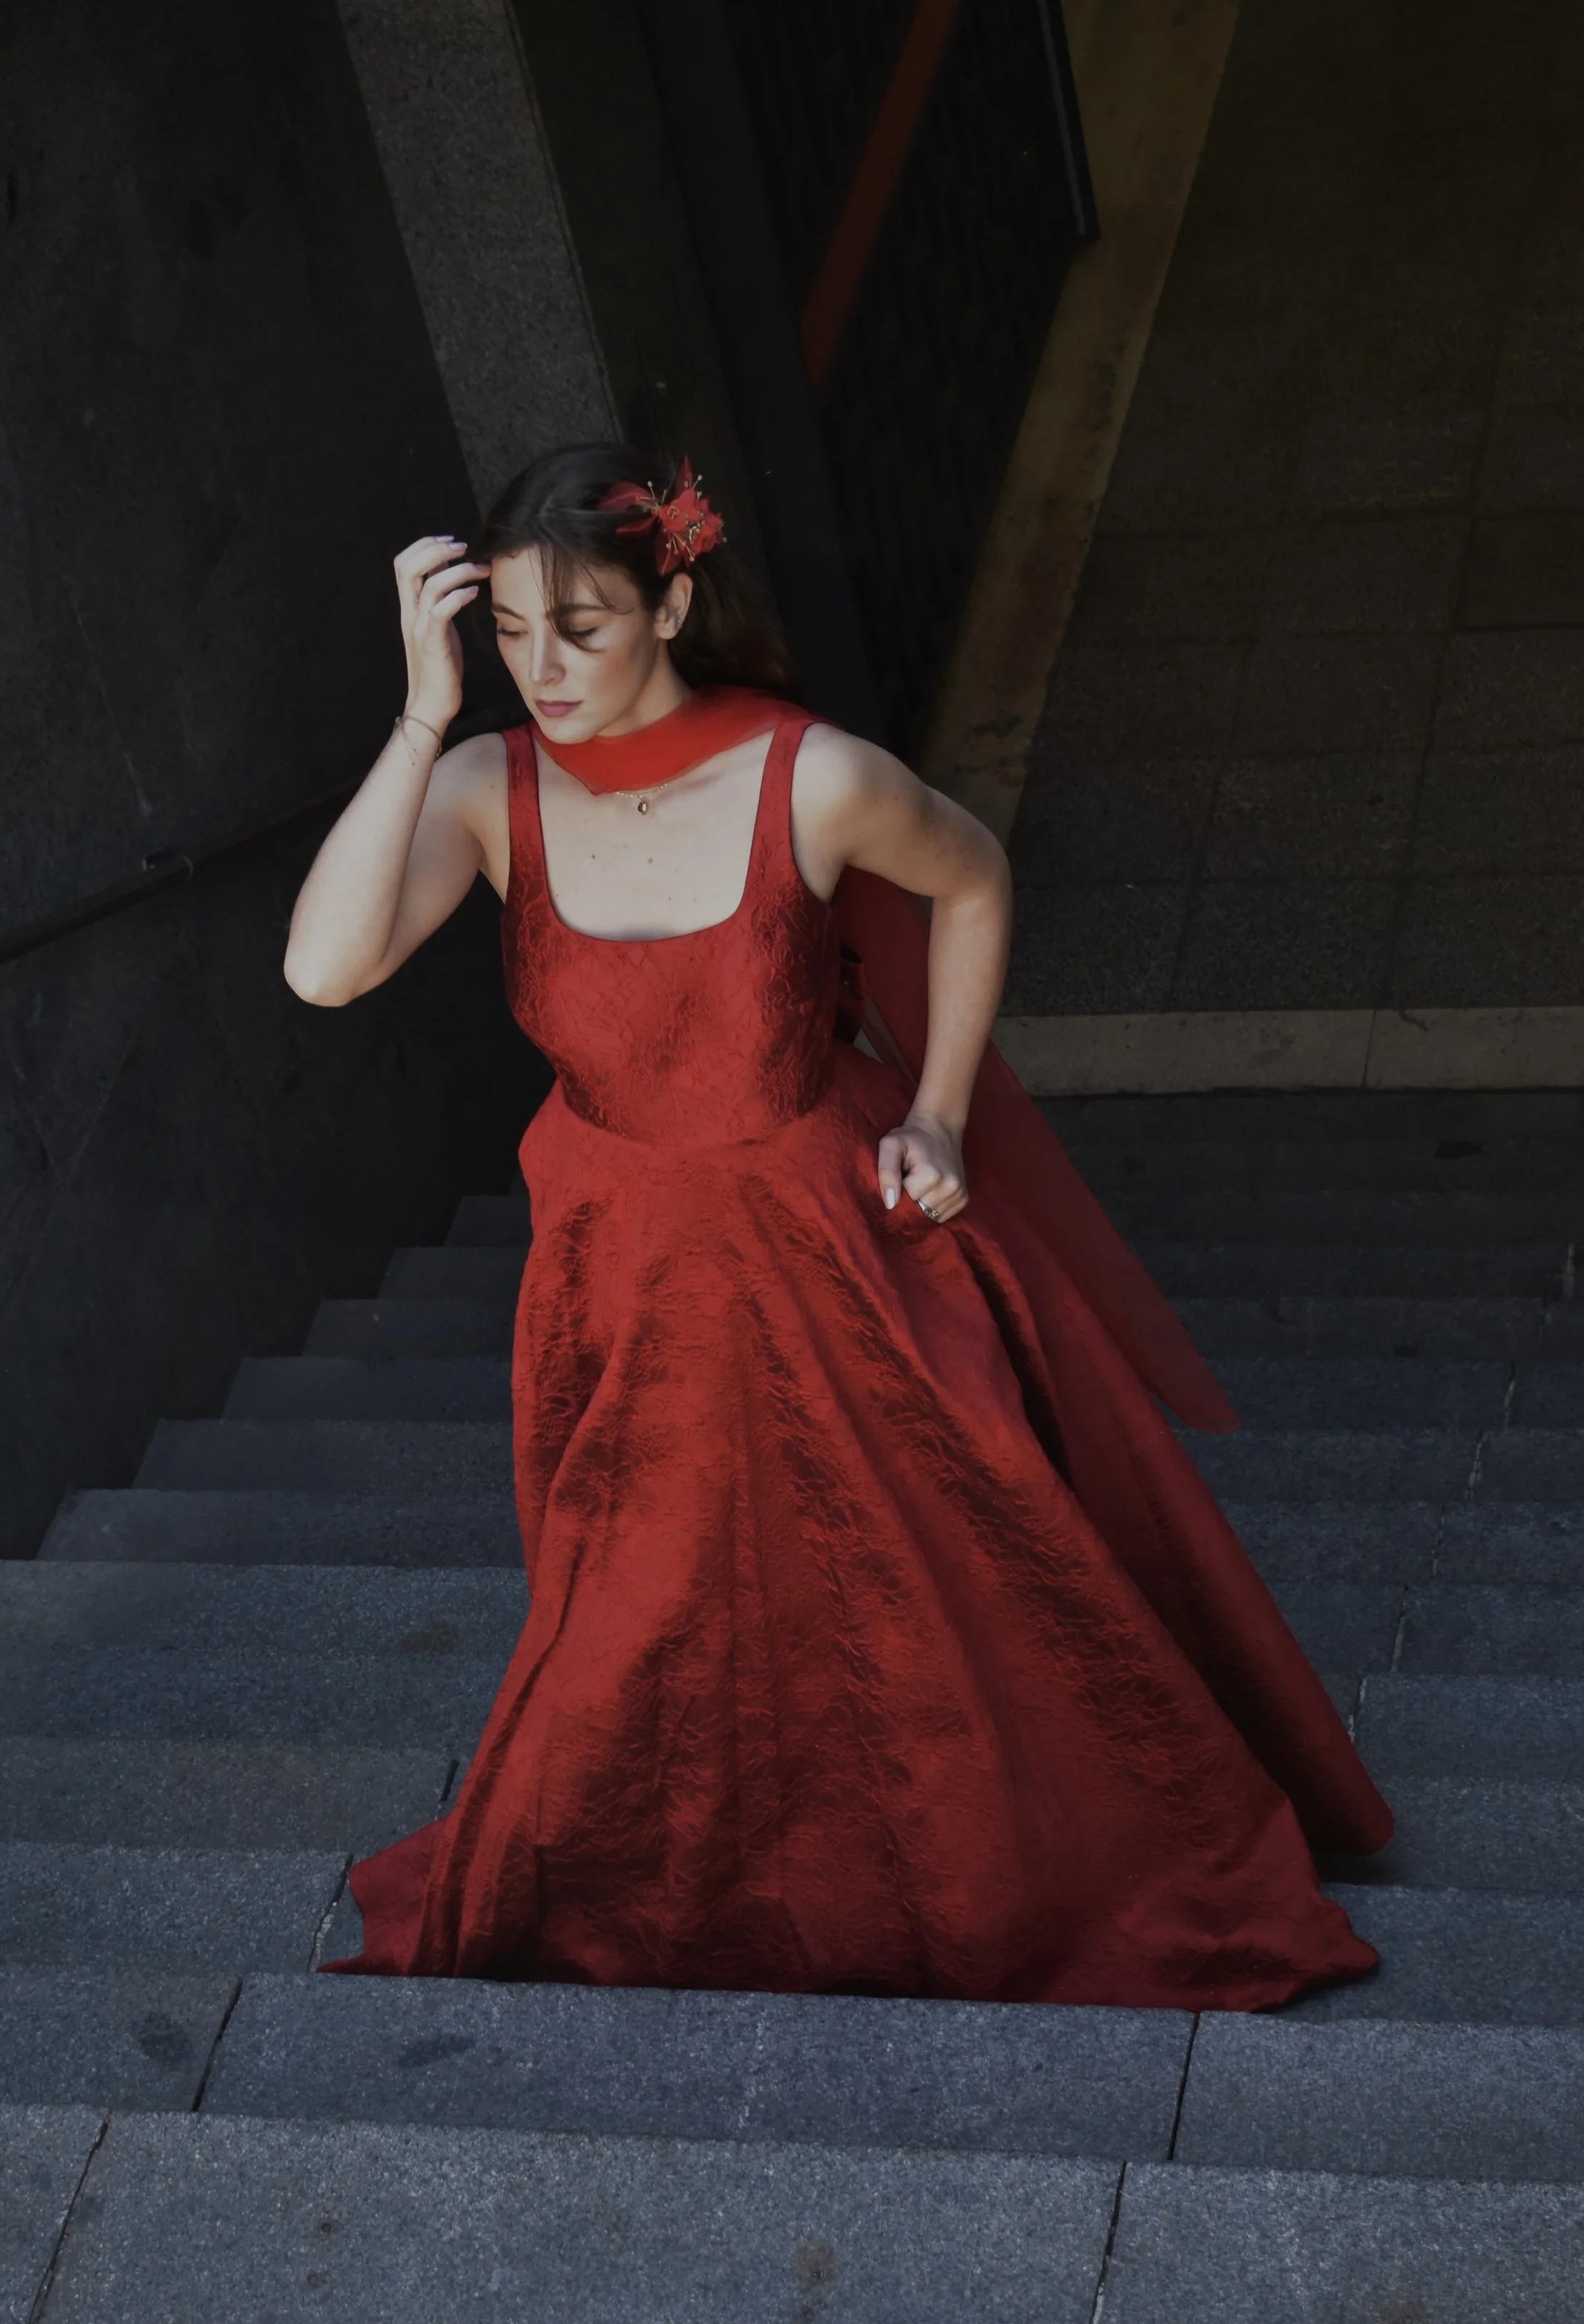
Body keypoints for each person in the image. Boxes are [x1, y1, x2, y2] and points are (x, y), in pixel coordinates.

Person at [284, 442, 1390, 2008]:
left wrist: (938, 1109)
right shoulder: (486, 788)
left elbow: (974, 877)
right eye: (513, 633)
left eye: (582, 628)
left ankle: (977, 1878)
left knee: (919, 1596)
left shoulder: (812, 776)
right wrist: (419, 714)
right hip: (617, 1276)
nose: (543, 670)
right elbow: (324, 970)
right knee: (641, 1614)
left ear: (671, 605)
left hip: (828, 1254)